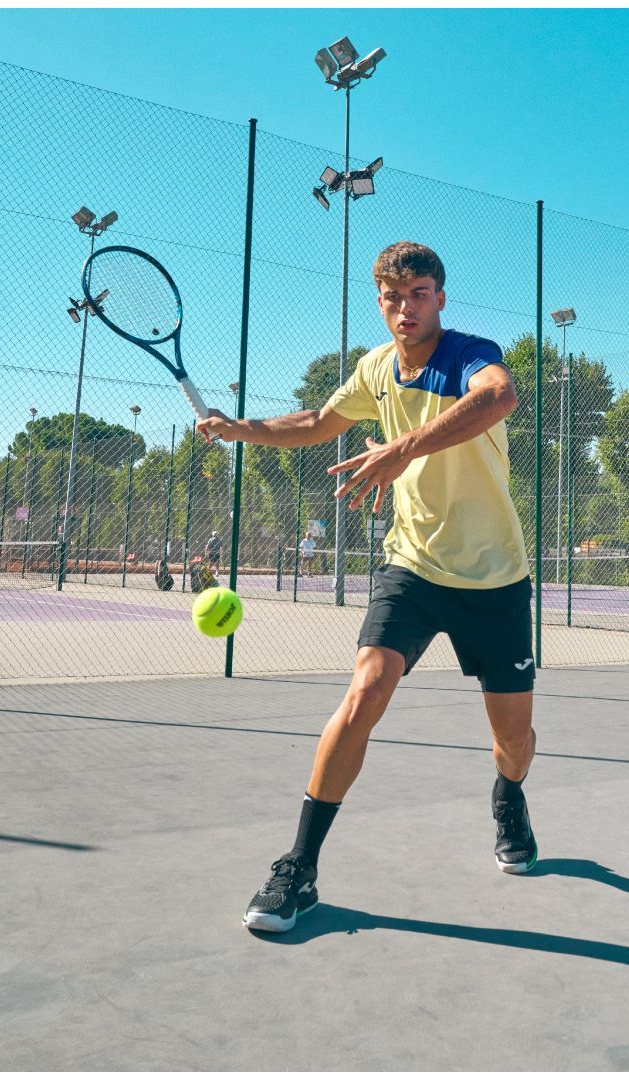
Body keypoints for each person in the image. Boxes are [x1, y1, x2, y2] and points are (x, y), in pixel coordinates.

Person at [198, 241, 540, 933]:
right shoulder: (375, 368)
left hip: (494, 576)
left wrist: (399, 448)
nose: (405, 308)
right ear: (380, 302)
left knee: (514, 740)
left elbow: (499, 397)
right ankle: (299, 868)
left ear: (439, 298)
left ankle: (509, 795)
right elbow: (316, 423)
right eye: (393, 297)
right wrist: (240, 430)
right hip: (411, 564)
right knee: (365, 692)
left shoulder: (468, 354)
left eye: (418, 295)